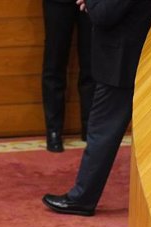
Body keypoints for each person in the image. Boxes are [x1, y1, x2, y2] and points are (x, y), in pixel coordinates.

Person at [42, 0, 151, 216]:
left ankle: (82, 199)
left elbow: (104, 15)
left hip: (121, 63)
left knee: (101, 133)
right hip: (131, 57)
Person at [41, 0, 95, 152]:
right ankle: (53, 132)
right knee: (54, 64)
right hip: (57, 3)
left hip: (91, 2)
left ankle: (90, 129)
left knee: (91, 65)